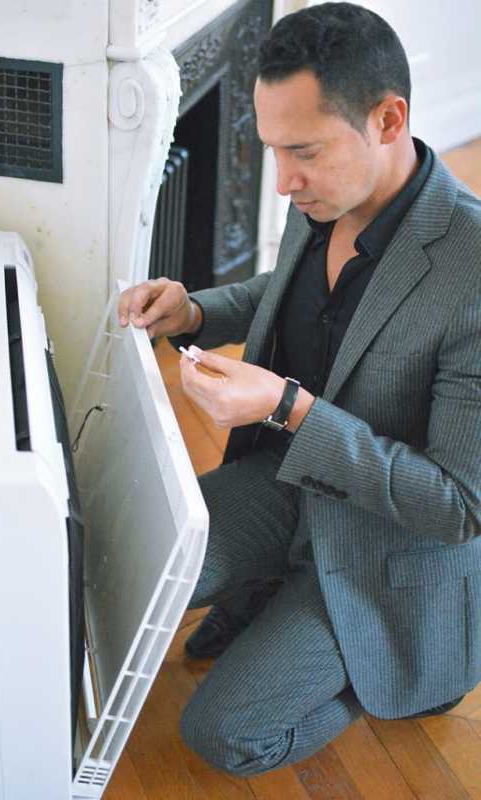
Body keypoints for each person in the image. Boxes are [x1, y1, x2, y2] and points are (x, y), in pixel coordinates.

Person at [118, 1, 481, 777]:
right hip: (290, 485)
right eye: (273, 150)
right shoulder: (325, 195)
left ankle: (386, 672)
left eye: (303, 152)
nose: (283, 182)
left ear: (388, 120)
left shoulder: (473, 270)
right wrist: (193, 311)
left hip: (389, 547)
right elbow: (289, 294)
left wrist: (287, 407)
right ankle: (279, 589)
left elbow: (458, 506)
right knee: (124, 569)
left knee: (225, 736)